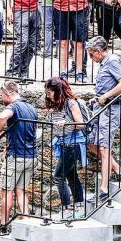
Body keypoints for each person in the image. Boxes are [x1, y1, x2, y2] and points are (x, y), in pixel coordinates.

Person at [86, 36, 121, 203]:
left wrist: (105, 96)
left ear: (98, 52)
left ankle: (104, 190)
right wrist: (97, 98)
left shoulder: (112, 61)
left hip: (111, 109)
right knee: (91, 142)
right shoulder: (105, 63)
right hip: (101, 107)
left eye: (91, 55)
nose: (91, 58)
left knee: (104, 148)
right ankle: (119, 171)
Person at [0, 80, 38, 232]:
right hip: (32, 156)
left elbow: (2, 117)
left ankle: (4, 225)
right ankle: (27, 223)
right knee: (21, 190)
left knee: (7, 191)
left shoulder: (13, 106)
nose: (1, 98)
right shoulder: (31, 108)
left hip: (16, 157)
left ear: (6, 93)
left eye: (1, 95)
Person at [44, 77, 88, 219]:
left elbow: (81, 124)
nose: (47, 95)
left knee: (58, 176)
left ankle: (67, 209)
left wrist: (66, 123)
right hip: (63, 143)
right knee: (71, 175)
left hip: (73, 143)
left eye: (50, 92)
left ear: (58, 91)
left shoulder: (71, 103)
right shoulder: (56, 104)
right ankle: (80, 205)